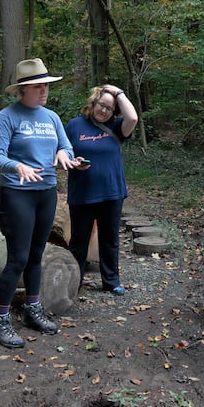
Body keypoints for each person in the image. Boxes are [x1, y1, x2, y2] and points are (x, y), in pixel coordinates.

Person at [0, 58, 78, 348]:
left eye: (46, 86)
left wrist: (65, 155)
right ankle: (0, 320)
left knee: (37, 255)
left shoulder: (51, 117)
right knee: (18, 257)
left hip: (46, 192)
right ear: (22, 90)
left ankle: (32, 310)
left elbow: (65, 145)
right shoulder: (7, 117)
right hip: (17, 194)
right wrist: (17, 167)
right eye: (38, 86)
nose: (44, 91)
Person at [65, 84, 138, 294]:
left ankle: (111, 282)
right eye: (101, 105)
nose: (104, 111)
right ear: (93, 103)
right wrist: (73, 162)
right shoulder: (75, 125)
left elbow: (132, 118)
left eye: (109, 108)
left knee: (110, 240)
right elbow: (62, 152)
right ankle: (74, 282)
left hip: (112, 193)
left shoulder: (117, 126)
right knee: (79, 241)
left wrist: (119, 92)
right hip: (82, 193)